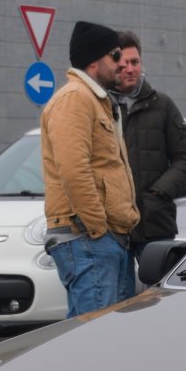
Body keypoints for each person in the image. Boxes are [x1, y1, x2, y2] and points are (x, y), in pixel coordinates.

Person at [41, 20, 139, 317]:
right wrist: (98, 229)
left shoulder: (95, 100)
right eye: (115, 56)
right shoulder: (76, 99)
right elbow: (74, 170)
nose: (122, 64)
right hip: (88, 239)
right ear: (95, 60)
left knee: (99, 340)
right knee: (93, 343)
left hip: (102, 240)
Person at [113, 31, 186, 262]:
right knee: (120, 297)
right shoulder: (101, 107)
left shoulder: (162, 105)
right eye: (123, 64)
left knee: (158, 296)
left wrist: (159, 193)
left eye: (135, 62)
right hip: (113, 228)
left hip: (155, 223)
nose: (130, 69)